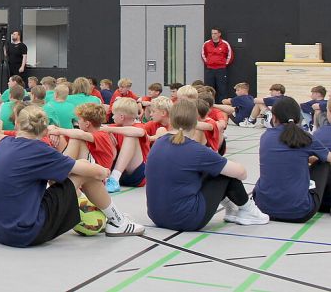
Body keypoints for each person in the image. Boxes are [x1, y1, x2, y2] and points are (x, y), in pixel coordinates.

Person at [0, 106, 144, 247]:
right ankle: (118, 221)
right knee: (84, 172)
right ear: (45, 131)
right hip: (22, 233)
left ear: (17, 124)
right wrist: (104, 171)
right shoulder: (40, 151)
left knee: (66, 171)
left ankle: (103, 213)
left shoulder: (5, 143)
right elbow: (97, 173)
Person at [146, 98, 268, 231]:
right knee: (224, 172)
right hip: (186, 219)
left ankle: (231, 209)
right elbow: (241, 173)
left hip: (156, 216)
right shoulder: (195, 150)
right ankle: (249, 210)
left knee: (210, 169)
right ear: (196, 122)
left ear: (171, 119)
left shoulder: (159, 142)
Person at [253, 97, 331, 222]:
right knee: (324, 163)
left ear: (274, 118)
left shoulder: (265, 136)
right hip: (299, 212)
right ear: (298, 118)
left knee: (274, 167)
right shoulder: (305, 137)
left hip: (263, 208)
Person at [101, 98, 148, 193]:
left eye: (114, 114)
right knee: (103, 134)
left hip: (136, 175)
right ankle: (107, 177)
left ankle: (114, 177)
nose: (112, 117)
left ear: (122, 117)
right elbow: (99, 128)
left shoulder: (138, 126)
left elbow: (139, 132)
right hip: (118, 173)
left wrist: (109, 130)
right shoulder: (114, 127)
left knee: (131, 136)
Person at [202, 27, 233, 103]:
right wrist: (208, 63)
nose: (213, 35)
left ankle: (222, 106)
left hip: (221, 69)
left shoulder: (225, 44)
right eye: (212, 33)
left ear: (219, 34)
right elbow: (203, 54)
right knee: (209, 89)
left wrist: (224, 63)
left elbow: (230, 55)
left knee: (222, 89)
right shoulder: (206, 44)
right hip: (210, 69)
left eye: (215, 33)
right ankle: (209, 104)